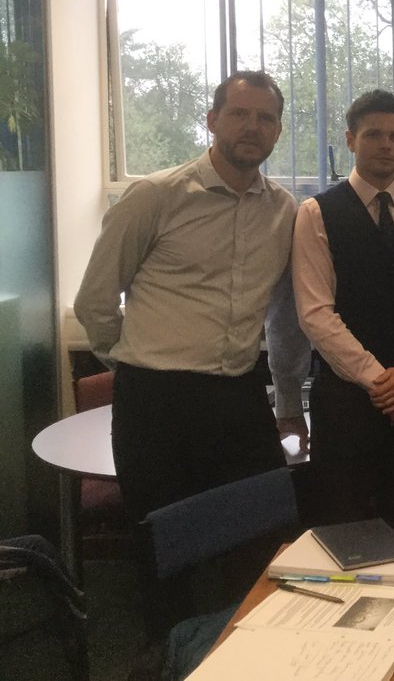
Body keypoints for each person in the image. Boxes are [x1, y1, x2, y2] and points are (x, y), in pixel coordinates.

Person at [74, 70, 310, 524]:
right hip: (156, 402)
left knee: (259, 536)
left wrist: (287, 400)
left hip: (239, 396)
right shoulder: (155, 196)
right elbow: (95, 300)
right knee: (167, 550)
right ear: (212, 120)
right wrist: (132, 367)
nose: (252, 126)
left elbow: (284, 315)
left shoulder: (283, 210)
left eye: (266, 118)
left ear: (278, 131)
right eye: (239, 114)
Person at [292, 90, 394, 533]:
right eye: (372, 135)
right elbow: (316, 314)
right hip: (347, 400)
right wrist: (381, 382)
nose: (385, 145)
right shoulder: (316, 213)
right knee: (345, 529)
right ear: (350, 139)